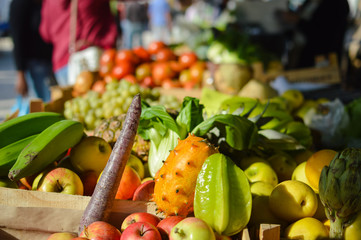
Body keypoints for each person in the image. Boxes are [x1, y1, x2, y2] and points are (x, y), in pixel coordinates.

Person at [39, 0, 118, 86]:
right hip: (92, 58)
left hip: (62, 63)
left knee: (72, 97)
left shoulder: (49, 2)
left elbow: (46, 34)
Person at [9, 0, 54, 115]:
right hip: (35, 66)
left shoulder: (42, 3)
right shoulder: (19, 4)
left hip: (49, 63)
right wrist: (20, 74)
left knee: (50, 106)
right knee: (43, 107)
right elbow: (17, 40)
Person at [276, 0, 350, 69]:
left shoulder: (337, 3)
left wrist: (296, 20)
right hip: (300, 54)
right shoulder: (311, 1)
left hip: (320, 60)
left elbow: (323, 35)